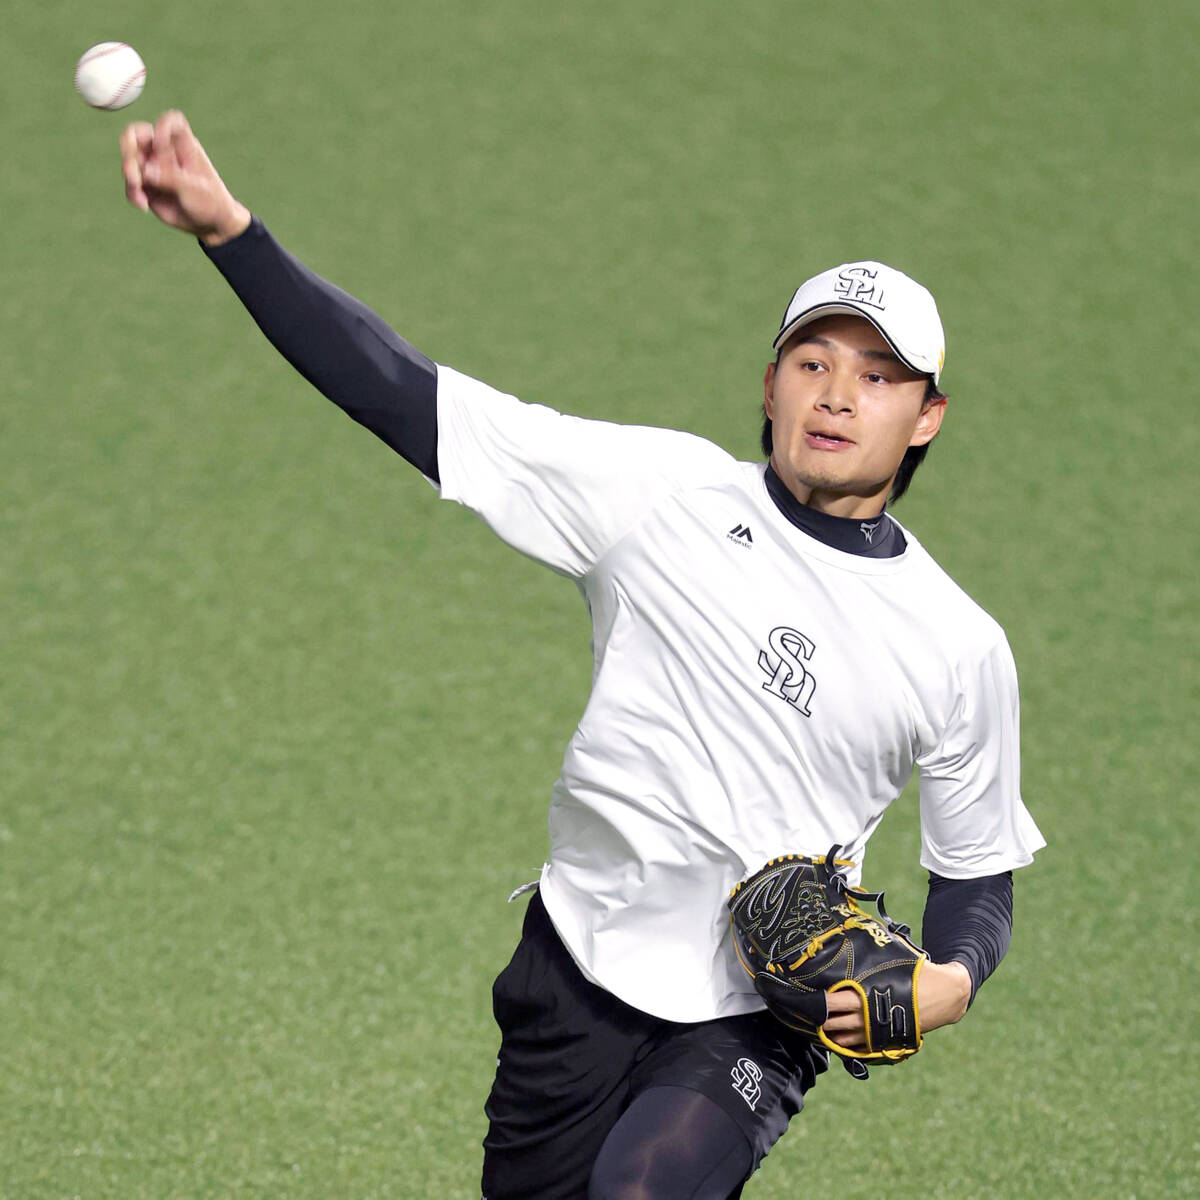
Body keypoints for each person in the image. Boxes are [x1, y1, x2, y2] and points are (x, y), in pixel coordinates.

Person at [119, 111, 1045, 1199]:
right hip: (575, 963)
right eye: (812, 360)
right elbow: (405, 397)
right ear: (769, 383)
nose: (837, 394)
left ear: (927, 417)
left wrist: (952, 980)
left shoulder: (954, 643)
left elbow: (976, 871)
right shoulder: (656, 496)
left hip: (750, 1018)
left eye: (880, 378)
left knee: (641, 1191)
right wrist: (232, 233)